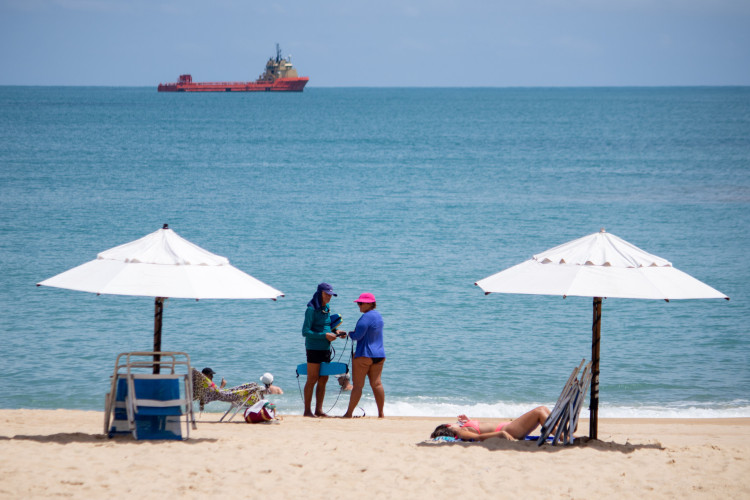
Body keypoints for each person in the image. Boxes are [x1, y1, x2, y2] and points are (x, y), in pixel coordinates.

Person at [302, 282, 346, 417]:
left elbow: (327, 325)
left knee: (323, 379)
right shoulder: (311, 309)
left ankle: (319, 410)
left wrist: (336, 331)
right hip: (313, 348)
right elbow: (305, 332)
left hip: (325, 348)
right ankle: (307, 411)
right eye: (327, 294)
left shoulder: (327, 307)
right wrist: (324, 336)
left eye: (331, 295)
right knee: (312, 379)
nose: (329, 297)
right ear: (320, 293)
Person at [343, 292, 386, 418]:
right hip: (379, 355)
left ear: (369, 304)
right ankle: (381, 414)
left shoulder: (365, 317)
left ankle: (349, 413)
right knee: (377, 384)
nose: (359, 305)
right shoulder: (379, 316)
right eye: (358, 303)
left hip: (364, 355)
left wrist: (350, 334)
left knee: (358, 386)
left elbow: (358, 336)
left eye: (361, 303)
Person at [429, 406, 552, 441]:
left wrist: (469, 421)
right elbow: (478, 437)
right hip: (510, 430)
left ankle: (563, 434)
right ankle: (563, 436)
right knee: (540, 411)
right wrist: (500, 434)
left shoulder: (463, 427)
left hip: (510, 427)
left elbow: (480, 429)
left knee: (544, 411)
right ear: (448, 426)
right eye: (452, 422)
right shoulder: (459, 431)